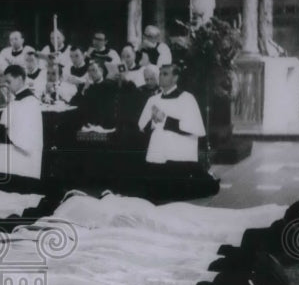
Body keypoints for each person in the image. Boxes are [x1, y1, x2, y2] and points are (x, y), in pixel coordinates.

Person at [136, 64, 218, 201]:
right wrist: (152, 121)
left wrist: (165, 119)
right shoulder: (153, 100)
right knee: (153, 193)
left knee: (178, 192)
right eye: (160, 73)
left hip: (179, 156)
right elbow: (142, 127)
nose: (160, 77)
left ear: (175, 78)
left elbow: (193, 129)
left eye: (165, 74)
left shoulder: (187, 99)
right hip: (157, 155)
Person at [0, 65, 43, 192]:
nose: (7, 86)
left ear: (20, 79)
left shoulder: (29, 102)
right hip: (9, 153)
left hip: (19, 160)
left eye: (9, 82)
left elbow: (23, 136)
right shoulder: (19, 101)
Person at [72, 59, 118, 130]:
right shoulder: (86, 86)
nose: (91, 74)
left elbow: (106, 109)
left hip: (104, 125)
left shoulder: (109, 86)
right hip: (87, 124)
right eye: (89, 71)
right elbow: (73, 103)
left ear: (101, 71)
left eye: (94, 70)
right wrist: (84, 90)